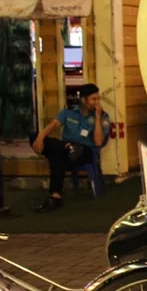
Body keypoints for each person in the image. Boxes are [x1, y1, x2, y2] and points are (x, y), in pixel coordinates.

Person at [28, 83, 110, 212]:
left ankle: (55, 196)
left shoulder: (102, 116)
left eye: (97, 99)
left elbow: (98, 142)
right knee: (35, 136)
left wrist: (98, 117)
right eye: (93, 99)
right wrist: (40, 137)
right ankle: (55, 196)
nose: (97, 102)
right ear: (83, 100)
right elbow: (54, 125)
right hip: (66, 150)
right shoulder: (69, 111)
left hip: (85, 151)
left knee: (57, 156)